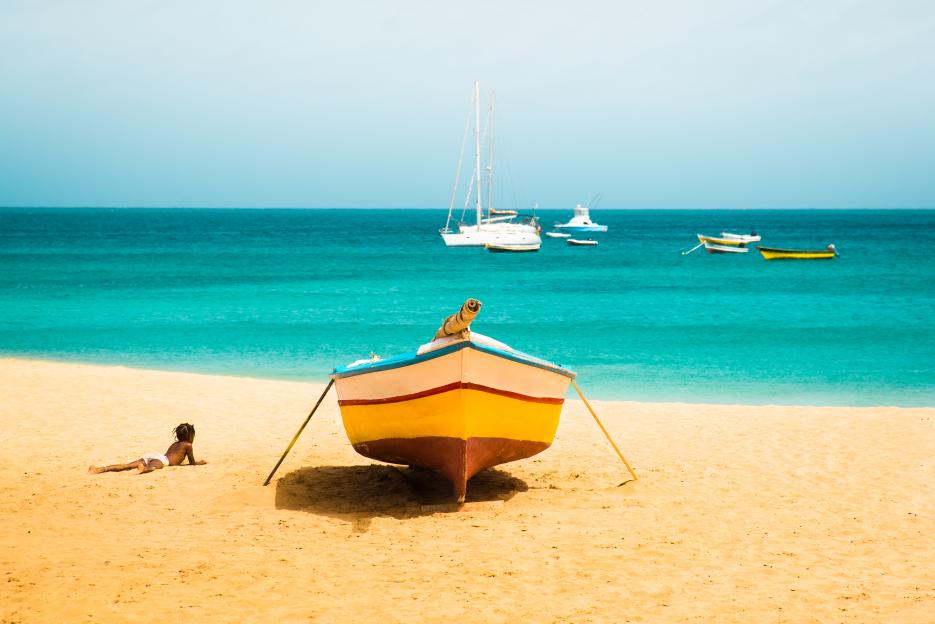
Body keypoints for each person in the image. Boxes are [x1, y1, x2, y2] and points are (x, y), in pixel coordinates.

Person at [88, 423, 207, 474]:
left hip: (156, 455)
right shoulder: (188, 445)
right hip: (163, 461)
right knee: (152, 467)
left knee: (128, 465)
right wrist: (200, 463)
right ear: (190, 436)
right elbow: (192, 463)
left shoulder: (175, 443)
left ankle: (99, 469)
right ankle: (143, 469)